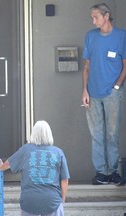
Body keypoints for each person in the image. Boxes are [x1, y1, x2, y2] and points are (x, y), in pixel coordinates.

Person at [81, 3, 126, 185]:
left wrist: (117, 86)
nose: (93, 21)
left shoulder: (121, 36)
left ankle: (113, 171)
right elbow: (87, 66)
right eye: (92, 17)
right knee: (96, 134)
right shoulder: (90, 36)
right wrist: (84, 90)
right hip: (92, 93)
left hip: (112, 93)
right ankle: (101, 172)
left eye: (96, 17)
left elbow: (125, 65)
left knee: (112, 134)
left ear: (106, 16)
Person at [0, 120, 70, 216]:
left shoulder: (25, 150)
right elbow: (64, 180)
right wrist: (62, 200)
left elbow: (7, 164)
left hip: (29, 201)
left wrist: (0, 167)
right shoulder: (58, 152)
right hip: (52, 200)